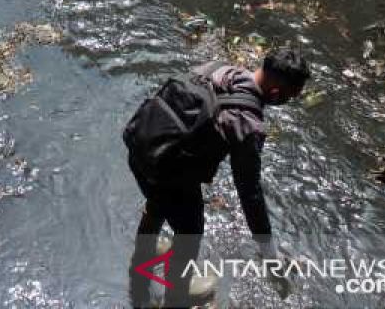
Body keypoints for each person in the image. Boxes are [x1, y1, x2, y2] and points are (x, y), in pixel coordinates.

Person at [124, 50, 310, 308]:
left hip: (141, 145)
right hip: (167, 172)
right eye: (289, 97)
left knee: (157, 202)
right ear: (277, 94)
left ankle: (141, 260)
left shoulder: (219, 69)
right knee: (190, 232)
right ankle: (177, 297)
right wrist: (269, 252)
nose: (286, 101)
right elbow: (250, 193)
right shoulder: (248, 124)